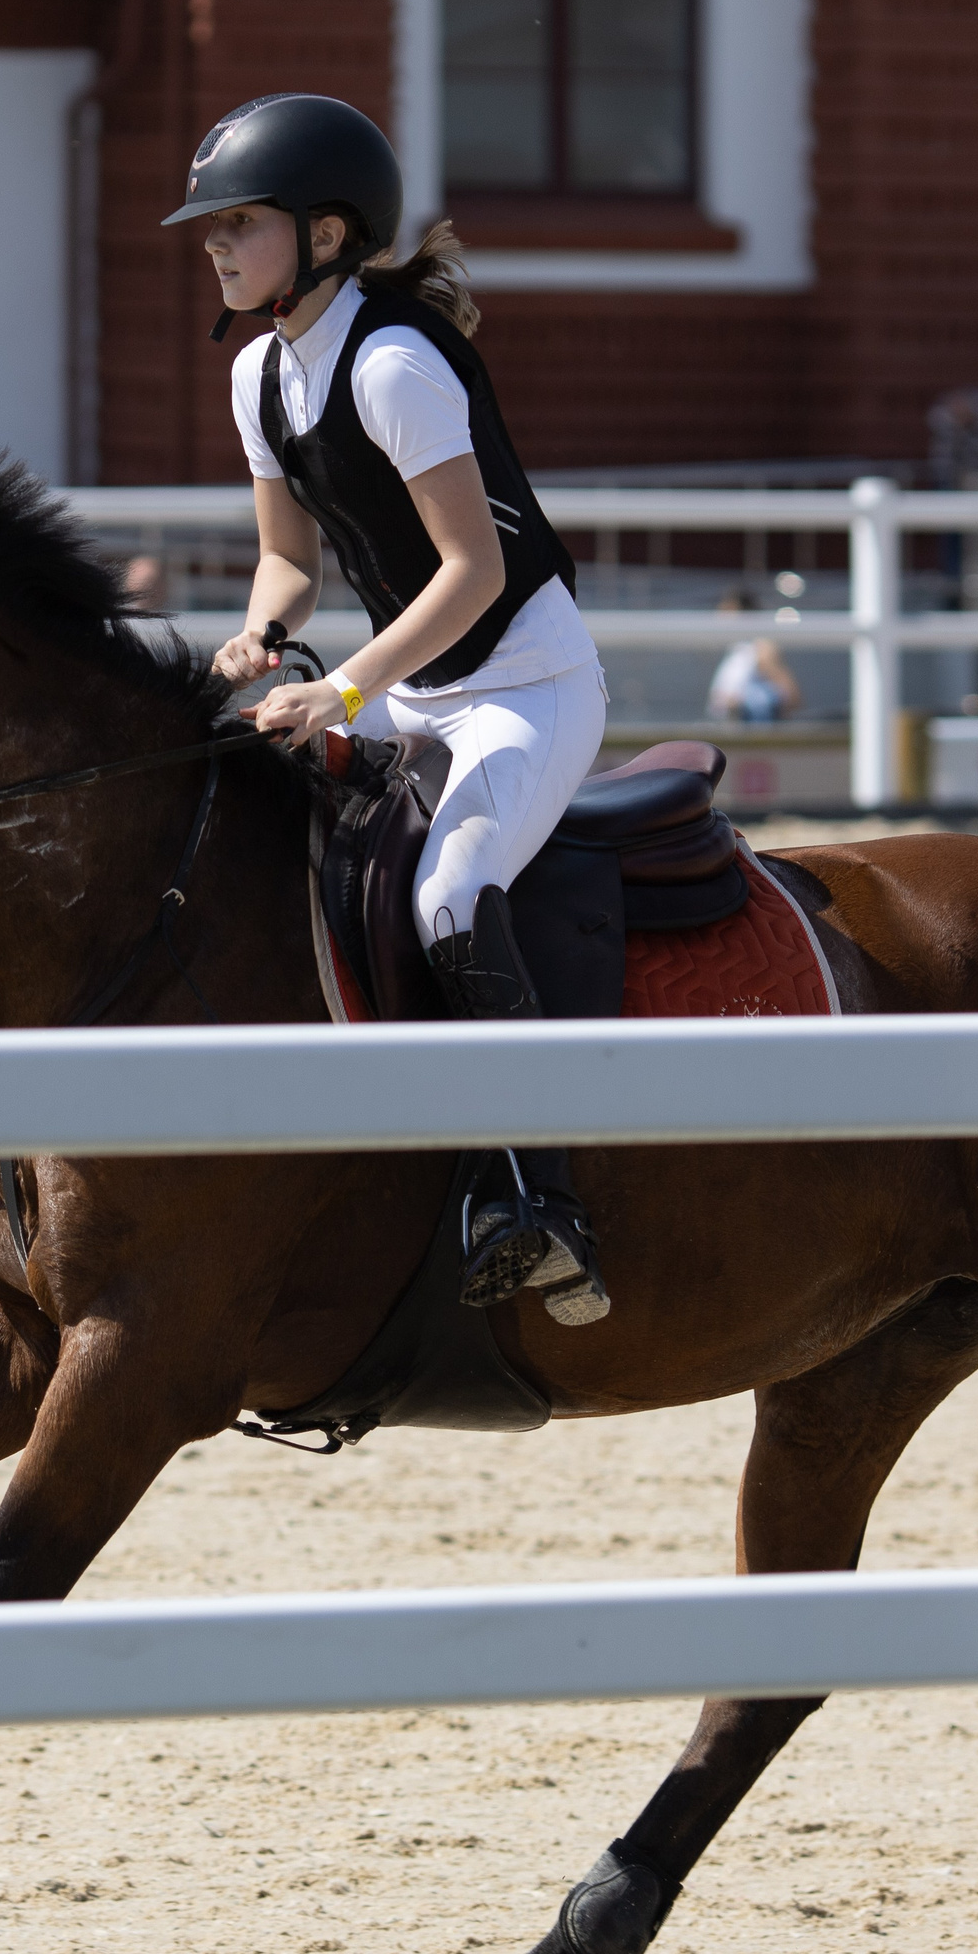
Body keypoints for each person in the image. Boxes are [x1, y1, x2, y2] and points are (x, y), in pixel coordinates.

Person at [165, 92, 610, 1325]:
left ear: (324, 234)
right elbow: (289, 562)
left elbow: (471, 571)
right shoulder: (259, 372)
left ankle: (541, 1199)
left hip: (524, 685)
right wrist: (261, 637)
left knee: (448, 896)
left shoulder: (394, 363)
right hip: (412, 688)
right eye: (210, 228)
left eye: (239, 223)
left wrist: (343, 688)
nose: (215, 245)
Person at [707, 593, 802, 722]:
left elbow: (791, 696)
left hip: (751, 729)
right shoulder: (736, 648)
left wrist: (742, 704)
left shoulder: (761, 647)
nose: (720, 615)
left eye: (727, 610)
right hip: (728, 727)